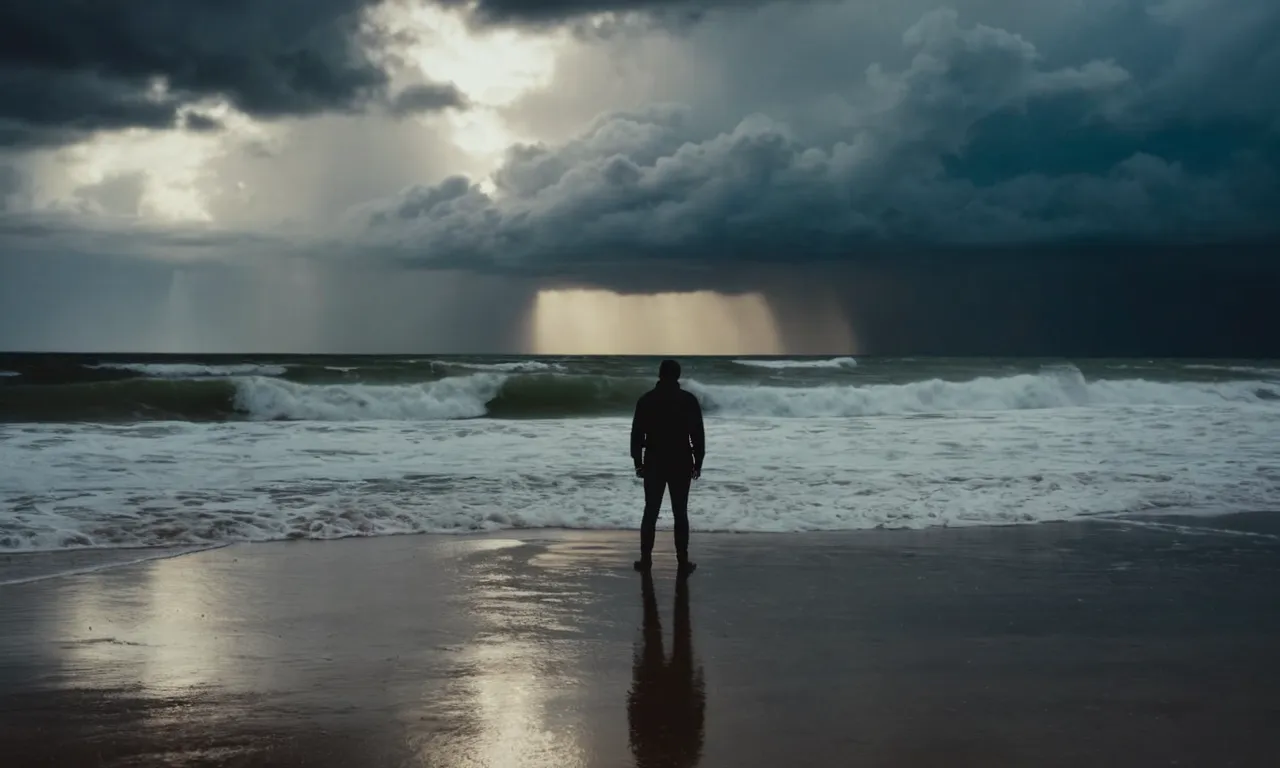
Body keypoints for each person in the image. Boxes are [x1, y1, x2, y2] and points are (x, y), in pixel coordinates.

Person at [630, 358, 705, 574]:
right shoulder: (688, 400)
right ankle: (682, 562)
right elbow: (697, 434)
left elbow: (637, 434)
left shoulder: (646, 400)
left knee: (650, 511)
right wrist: (698, 461)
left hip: (654, 460)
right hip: (681, 460)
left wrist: (638, 462)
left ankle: (646, 560)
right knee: (680, 513)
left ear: (659, 374)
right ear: (678, 376)